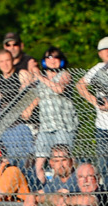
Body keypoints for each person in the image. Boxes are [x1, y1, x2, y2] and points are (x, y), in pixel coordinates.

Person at [76, 37, 108, 184]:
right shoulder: (98, 68)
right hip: (103, 126)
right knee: (105, 167)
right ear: (99, 53)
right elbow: (80, 85)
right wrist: (96, 102)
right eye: (104, 50)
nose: (107, 52)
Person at [30, 47, 78, 185]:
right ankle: (44, 191)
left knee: (62, 164)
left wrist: (39, 76)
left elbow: (59, 89)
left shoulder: (65, 74)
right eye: (49, 57)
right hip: (45, 127)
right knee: (39, 164)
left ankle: (65, 189)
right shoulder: (40, 80)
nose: (52, 60)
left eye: (56, 57)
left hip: (63, 126)